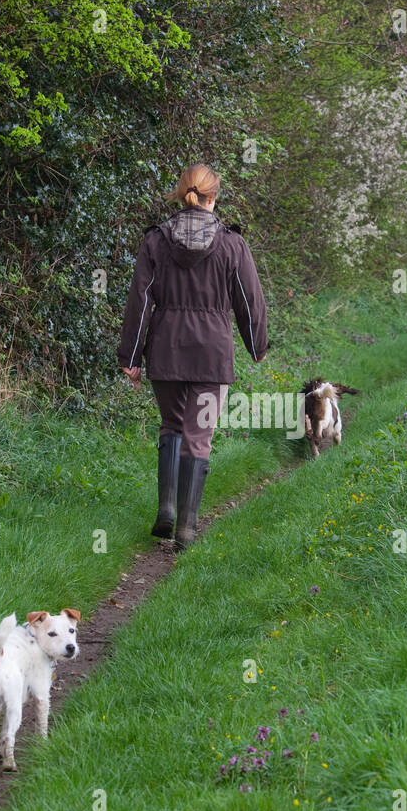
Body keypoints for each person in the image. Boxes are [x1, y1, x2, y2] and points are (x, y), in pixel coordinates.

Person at [117, 163, 269, 551]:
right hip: (211, 355)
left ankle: (166, 510)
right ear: (213, 197)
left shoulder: (155, 242)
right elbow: (250, 302)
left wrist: (131, 356)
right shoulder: (232, 245)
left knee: (171, 425)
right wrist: (257, 346)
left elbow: (140, 301)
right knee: (198, 437)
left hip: (165, 350)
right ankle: (186, 528)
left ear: (180, 193)